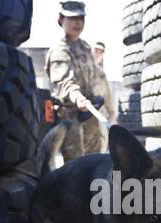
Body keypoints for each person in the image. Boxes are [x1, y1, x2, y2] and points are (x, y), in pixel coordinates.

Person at [45, 1, 104, 162]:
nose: (78, 22)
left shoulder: (85, 47)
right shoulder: (60, 50)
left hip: (89, 110)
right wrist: (78, 98)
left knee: (94, 159)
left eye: (81, 18)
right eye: (72, 18)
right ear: (60, 19)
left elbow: (92, 78)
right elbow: (65, 82)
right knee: (75, 163)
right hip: (69, 114)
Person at [93, 41, 118, 152]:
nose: (98, 54)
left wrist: (112, 116)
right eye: (96, 50)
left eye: (101, 52)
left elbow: (107, 96)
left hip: (98, 118)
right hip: (80, 116)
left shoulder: (101, 74)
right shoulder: (79, 68)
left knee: (100, 148)